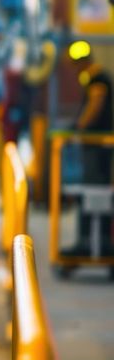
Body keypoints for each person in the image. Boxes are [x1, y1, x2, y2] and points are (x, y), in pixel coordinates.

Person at [64, 40, 113, 255]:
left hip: (97, 147)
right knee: (93, 193)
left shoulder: (97, 78)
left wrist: (80, 125)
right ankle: (94, 242)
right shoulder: (94, 77)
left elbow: (96, 104)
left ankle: (93, 243)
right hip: (97, 146)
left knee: (94, 194)